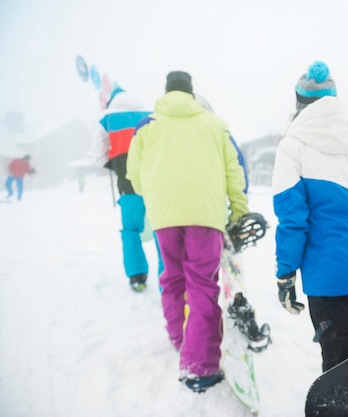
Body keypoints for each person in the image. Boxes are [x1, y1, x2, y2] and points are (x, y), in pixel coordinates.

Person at [126, 71, 249, 392]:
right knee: (202, 285)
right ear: (191, 93)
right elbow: (233, 172)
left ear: (167, 92)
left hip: (164, 217)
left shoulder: (146, 127)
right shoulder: (214, 124)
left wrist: (158, 195)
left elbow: (134, 177)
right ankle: (200, 366)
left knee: (172, 278)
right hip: (205, 216)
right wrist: (239, 210)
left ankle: (181, 339)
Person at [271, 61, 348, 372]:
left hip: (329, 280)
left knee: (345, 370)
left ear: (299, 103)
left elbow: (293, 222)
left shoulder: (292, 149)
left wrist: (286, 273)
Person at [91, 87, 154, 291]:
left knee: (131, 230)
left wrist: (117, 166)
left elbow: (98, 157)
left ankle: (137, 277)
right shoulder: (151, 115)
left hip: (128, 185)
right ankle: (169, 279)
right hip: (156, 183)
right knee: (163, 229)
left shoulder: (106, 119)